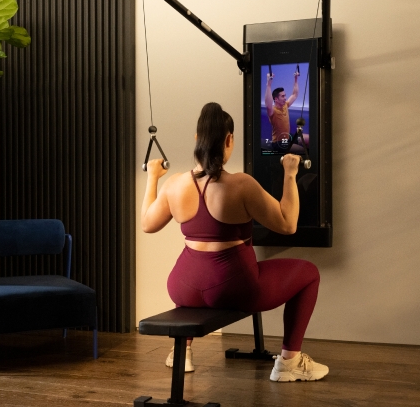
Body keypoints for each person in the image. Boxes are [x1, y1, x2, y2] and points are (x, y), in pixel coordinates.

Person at [141, 102, 328, 382]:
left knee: (201, 279)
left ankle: (183, 352)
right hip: (232, 288)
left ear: (197, 140)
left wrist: (153, 178)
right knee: (309, 273)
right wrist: (290, 173)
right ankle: (289, 362)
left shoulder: (175, 185)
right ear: (229, 140)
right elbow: (288, 224)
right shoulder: (241, 185)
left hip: (182, 288)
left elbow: (147, 224)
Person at [265, 71, 308, 154]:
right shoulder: (272, 111)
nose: (285, 98)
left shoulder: (285, 105)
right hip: (278, 143)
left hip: (288, 137)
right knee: (302, 150)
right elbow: (268, 104)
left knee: (309, 139)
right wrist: (269, 84)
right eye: (283, 96)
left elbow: (295, 94)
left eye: (285, 95)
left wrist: (296, 79)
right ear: (276, 99)